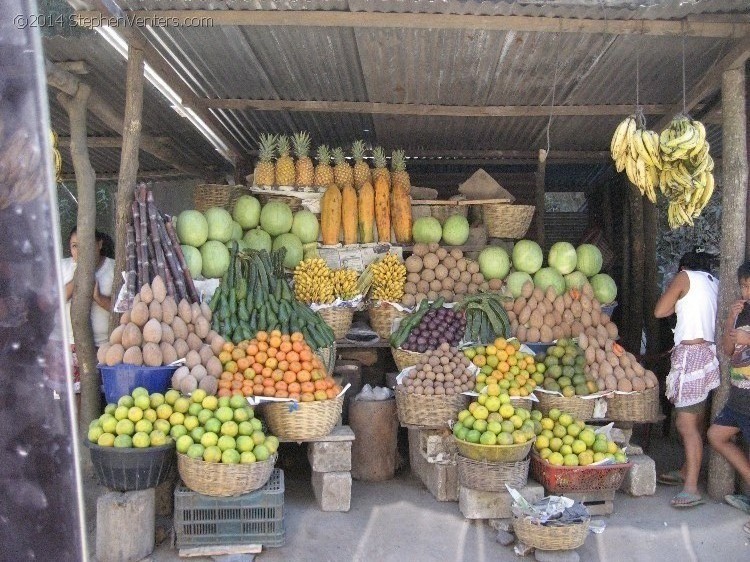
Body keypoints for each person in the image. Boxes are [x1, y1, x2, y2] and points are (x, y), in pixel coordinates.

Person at [654, 250, 720, 508]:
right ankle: (685, 470)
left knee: (685, 424)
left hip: (691, 356)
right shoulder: (713, 282)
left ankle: (691, 487)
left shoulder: (684, 277)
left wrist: (674, 298)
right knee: (697, 419)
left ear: (683, 266)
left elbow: (660, 311)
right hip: (708, 355)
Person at [707, 261, 750, 535]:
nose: (746, 291)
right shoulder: (743, 312)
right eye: (744, 286)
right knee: (715, 435)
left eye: (749, 286)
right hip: (738, 399)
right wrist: (730, 321)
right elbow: (726, 348)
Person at [61, 227, 115, 393]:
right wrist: (79, 279)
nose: (81, 251)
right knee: (75, 399)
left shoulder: (115, 268)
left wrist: (98, 297)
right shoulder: (64, 267)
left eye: (87, 244)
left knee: (104, 398)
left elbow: (124, 310)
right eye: (75, 246)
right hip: (71, 346)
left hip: (106, 347)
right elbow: (51, 302)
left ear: (99, 244)